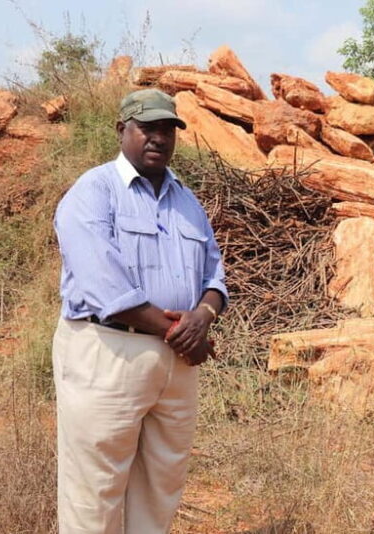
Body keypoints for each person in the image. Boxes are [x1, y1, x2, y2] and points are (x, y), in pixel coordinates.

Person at [51, 88, 228, 533]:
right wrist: (182, 334)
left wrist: (203, 317)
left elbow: (215, 276)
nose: (159, 138)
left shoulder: (187, 201)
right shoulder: (93, 192)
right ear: (122, 130)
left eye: (167, 129)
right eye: (147, 127)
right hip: (108, 353)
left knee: (161, 487)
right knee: (94, 492)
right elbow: (102, 284)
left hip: (176, 363)